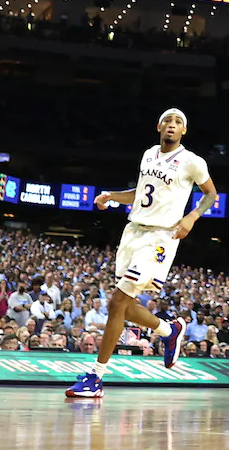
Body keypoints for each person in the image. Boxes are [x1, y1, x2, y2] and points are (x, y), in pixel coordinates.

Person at [65, 109, 217, 399]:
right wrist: (112, 196)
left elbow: (211, 194)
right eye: (168, 121)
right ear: (159, 126)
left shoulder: (192, 161)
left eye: (178, 123)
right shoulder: (149, 154)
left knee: (116, 302)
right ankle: (168, 330)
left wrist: (192, 217)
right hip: (133, 231)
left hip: (161, 235)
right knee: (123, 305)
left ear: (183, 131)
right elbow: (140, 193)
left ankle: (96, 378)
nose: (172, 126)